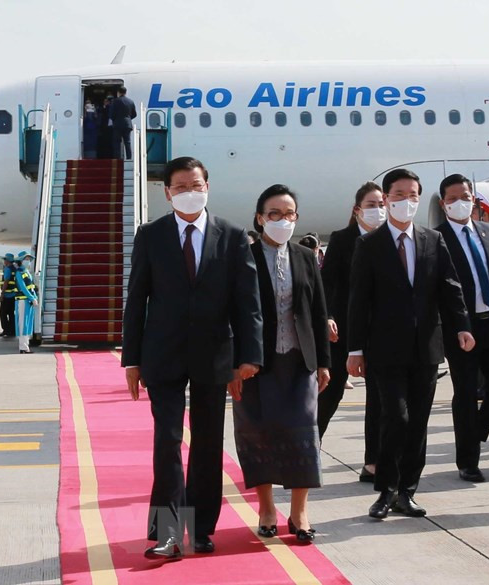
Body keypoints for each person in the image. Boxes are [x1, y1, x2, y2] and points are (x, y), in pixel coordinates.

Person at [121, 156, 263, 560]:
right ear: (166, 193)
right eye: (180, 187)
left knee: (206, 445)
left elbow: (246, 303)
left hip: (215, 354)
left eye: (196, 184)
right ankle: (167, 532)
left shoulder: (233, 236)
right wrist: (131, 360)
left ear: (208, 187)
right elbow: (137, 300)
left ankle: (201, 528)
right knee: (166, 442)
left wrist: (248, 355)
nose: (189, 192)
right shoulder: (151, 235)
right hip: (162, 355)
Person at [347, 168, 474, 519]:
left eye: (413, 195)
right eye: (399, 195)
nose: (407, 201)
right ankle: (385, 489)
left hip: (426, 348)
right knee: (396, 418)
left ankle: (407, 491)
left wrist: (461, 326)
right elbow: (359, 300)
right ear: (386, 199)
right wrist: (355, 349)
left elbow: (450, 287)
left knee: (417, 422)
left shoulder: (432, 240)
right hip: (385, 349)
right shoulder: (369, 245)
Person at [232, 184, 330, 543]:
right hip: (256, 364)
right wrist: (236, 362)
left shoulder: (306, 257)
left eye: (289, 214)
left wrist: (323, 362)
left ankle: (300, 511)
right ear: (260, 218)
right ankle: (266, 507)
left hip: (300, 360)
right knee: (257, 433)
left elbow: (318, 311)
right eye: (274, 214)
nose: (282, 220)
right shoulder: (245, 256)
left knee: (304, 432)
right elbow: (235, 313)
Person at [436, 174, 489, 482]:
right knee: (466, 393)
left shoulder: (488, 231)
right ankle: (468, 460)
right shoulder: (437, 238)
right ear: (444, 203)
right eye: (453, 198)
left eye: (465, 195)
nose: (461, 202)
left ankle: (477, 431)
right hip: (462, 331)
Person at [317, 181, 385, 482]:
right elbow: (326, 283)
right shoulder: (343, 240)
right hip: (342, 329)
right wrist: (327, 316)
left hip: (379, 330)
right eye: (371, 205)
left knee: (380, 400)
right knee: (330, 393)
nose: (379, 210)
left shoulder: (389, 238)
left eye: (382, 203)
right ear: (357, 210)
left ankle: (373, 462)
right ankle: (308, 450)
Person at [12, 251, 38, 354]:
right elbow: (23, 288)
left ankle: (26, 346)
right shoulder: (19, 272)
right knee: (23, 323)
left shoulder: (26, 271)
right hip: (23, 300)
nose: (28, 261)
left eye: (29, 259)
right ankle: (23, 347)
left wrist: (33, 297)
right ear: (21, 261)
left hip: (28, 300)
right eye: (26, 259)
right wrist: (32, 298)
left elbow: (31, 287)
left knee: (27, 323)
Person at [111, 86, 137, 160]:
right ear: (126, 93)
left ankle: (117, 158)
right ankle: (129, 158)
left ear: (118, 92)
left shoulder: (115, 101)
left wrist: (115, 119)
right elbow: (134, 114)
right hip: (127, 124)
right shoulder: (131, 101)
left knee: (117, 142)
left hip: (117, 124)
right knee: (127, 142)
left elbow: (111, 114)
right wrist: (128, 118)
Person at [0, 253, 17, 337]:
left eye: (5, 259)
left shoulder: (7, 269)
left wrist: (2, 294)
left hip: (7, 295)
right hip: (13, 295)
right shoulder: (15, 268)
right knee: (11, 313)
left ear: (7, 261)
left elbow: (6, 281)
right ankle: (12, 330)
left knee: (3, 313)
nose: (4, 261)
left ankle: (6, 329)